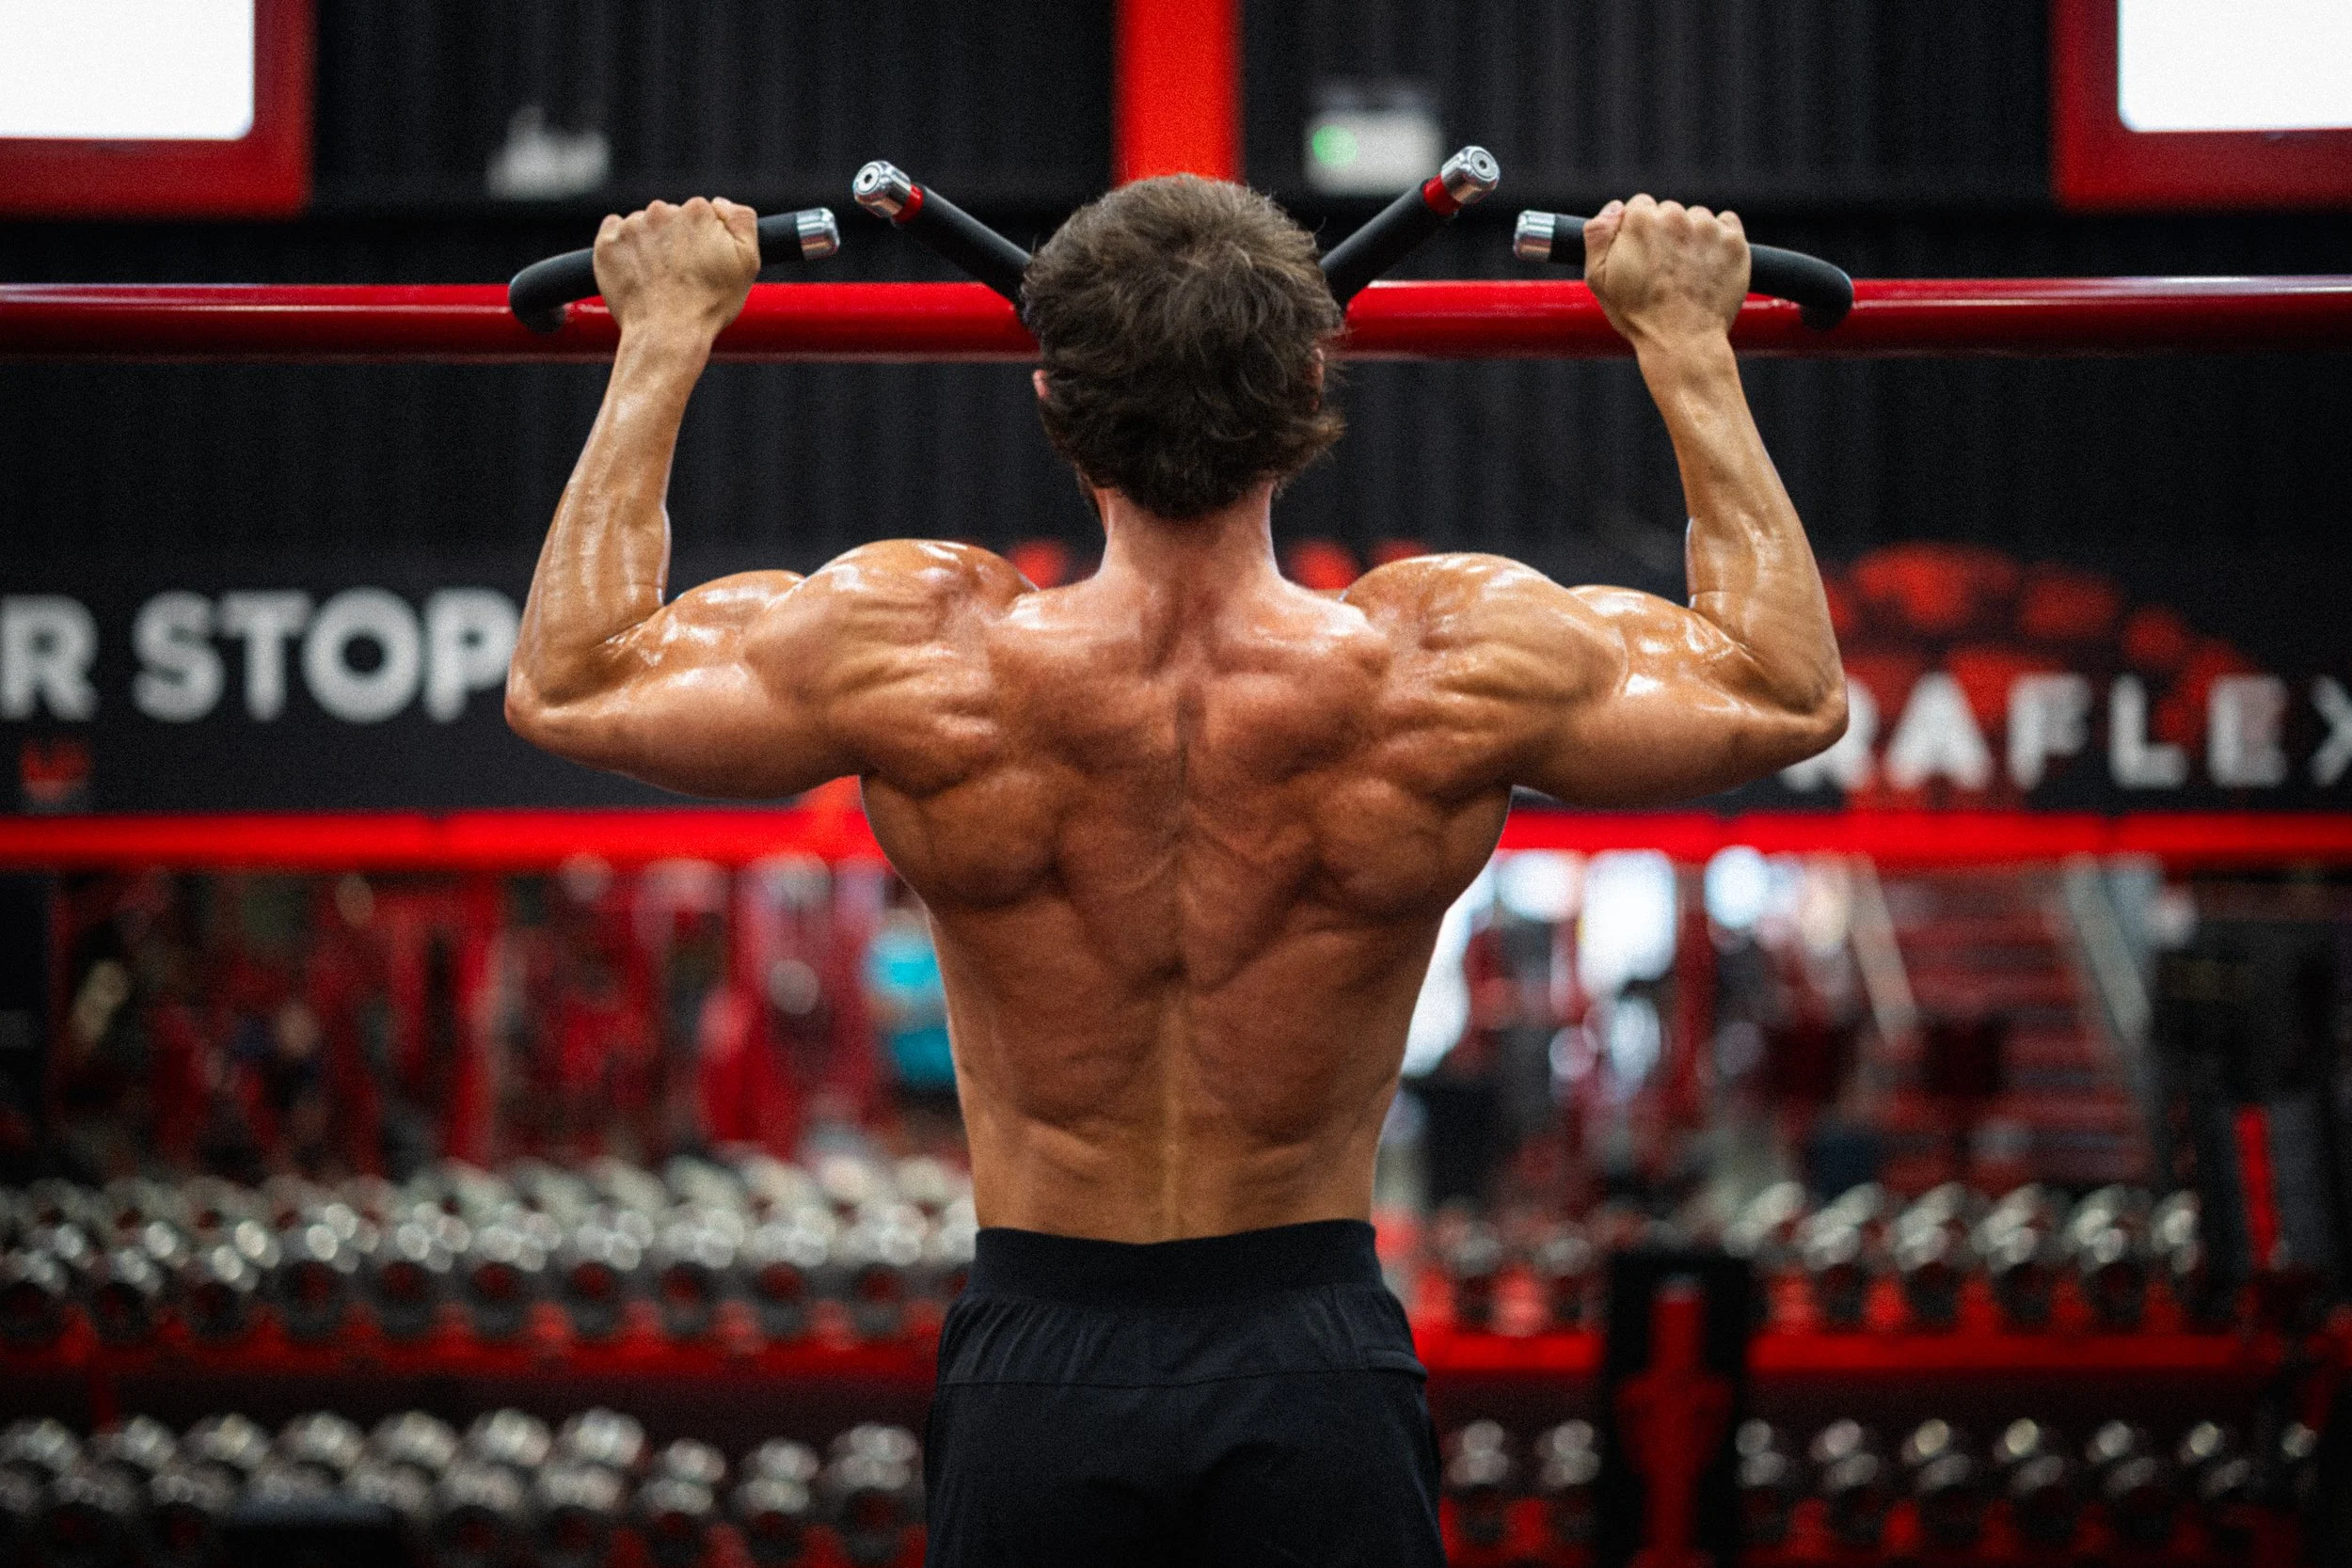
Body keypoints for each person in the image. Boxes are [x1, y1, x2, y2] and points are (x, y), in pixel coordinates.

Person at [507, 178, 1845, 1566]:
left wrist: (663, 333)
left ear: (1053, 404)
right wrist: (1686, 345)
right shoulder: (1442, 668)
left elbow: (571, 680)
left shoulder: (925, 656)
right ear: (1312, 386)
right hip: (1314, 1361)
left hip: (1043, 1368)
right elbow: (1784, 688)